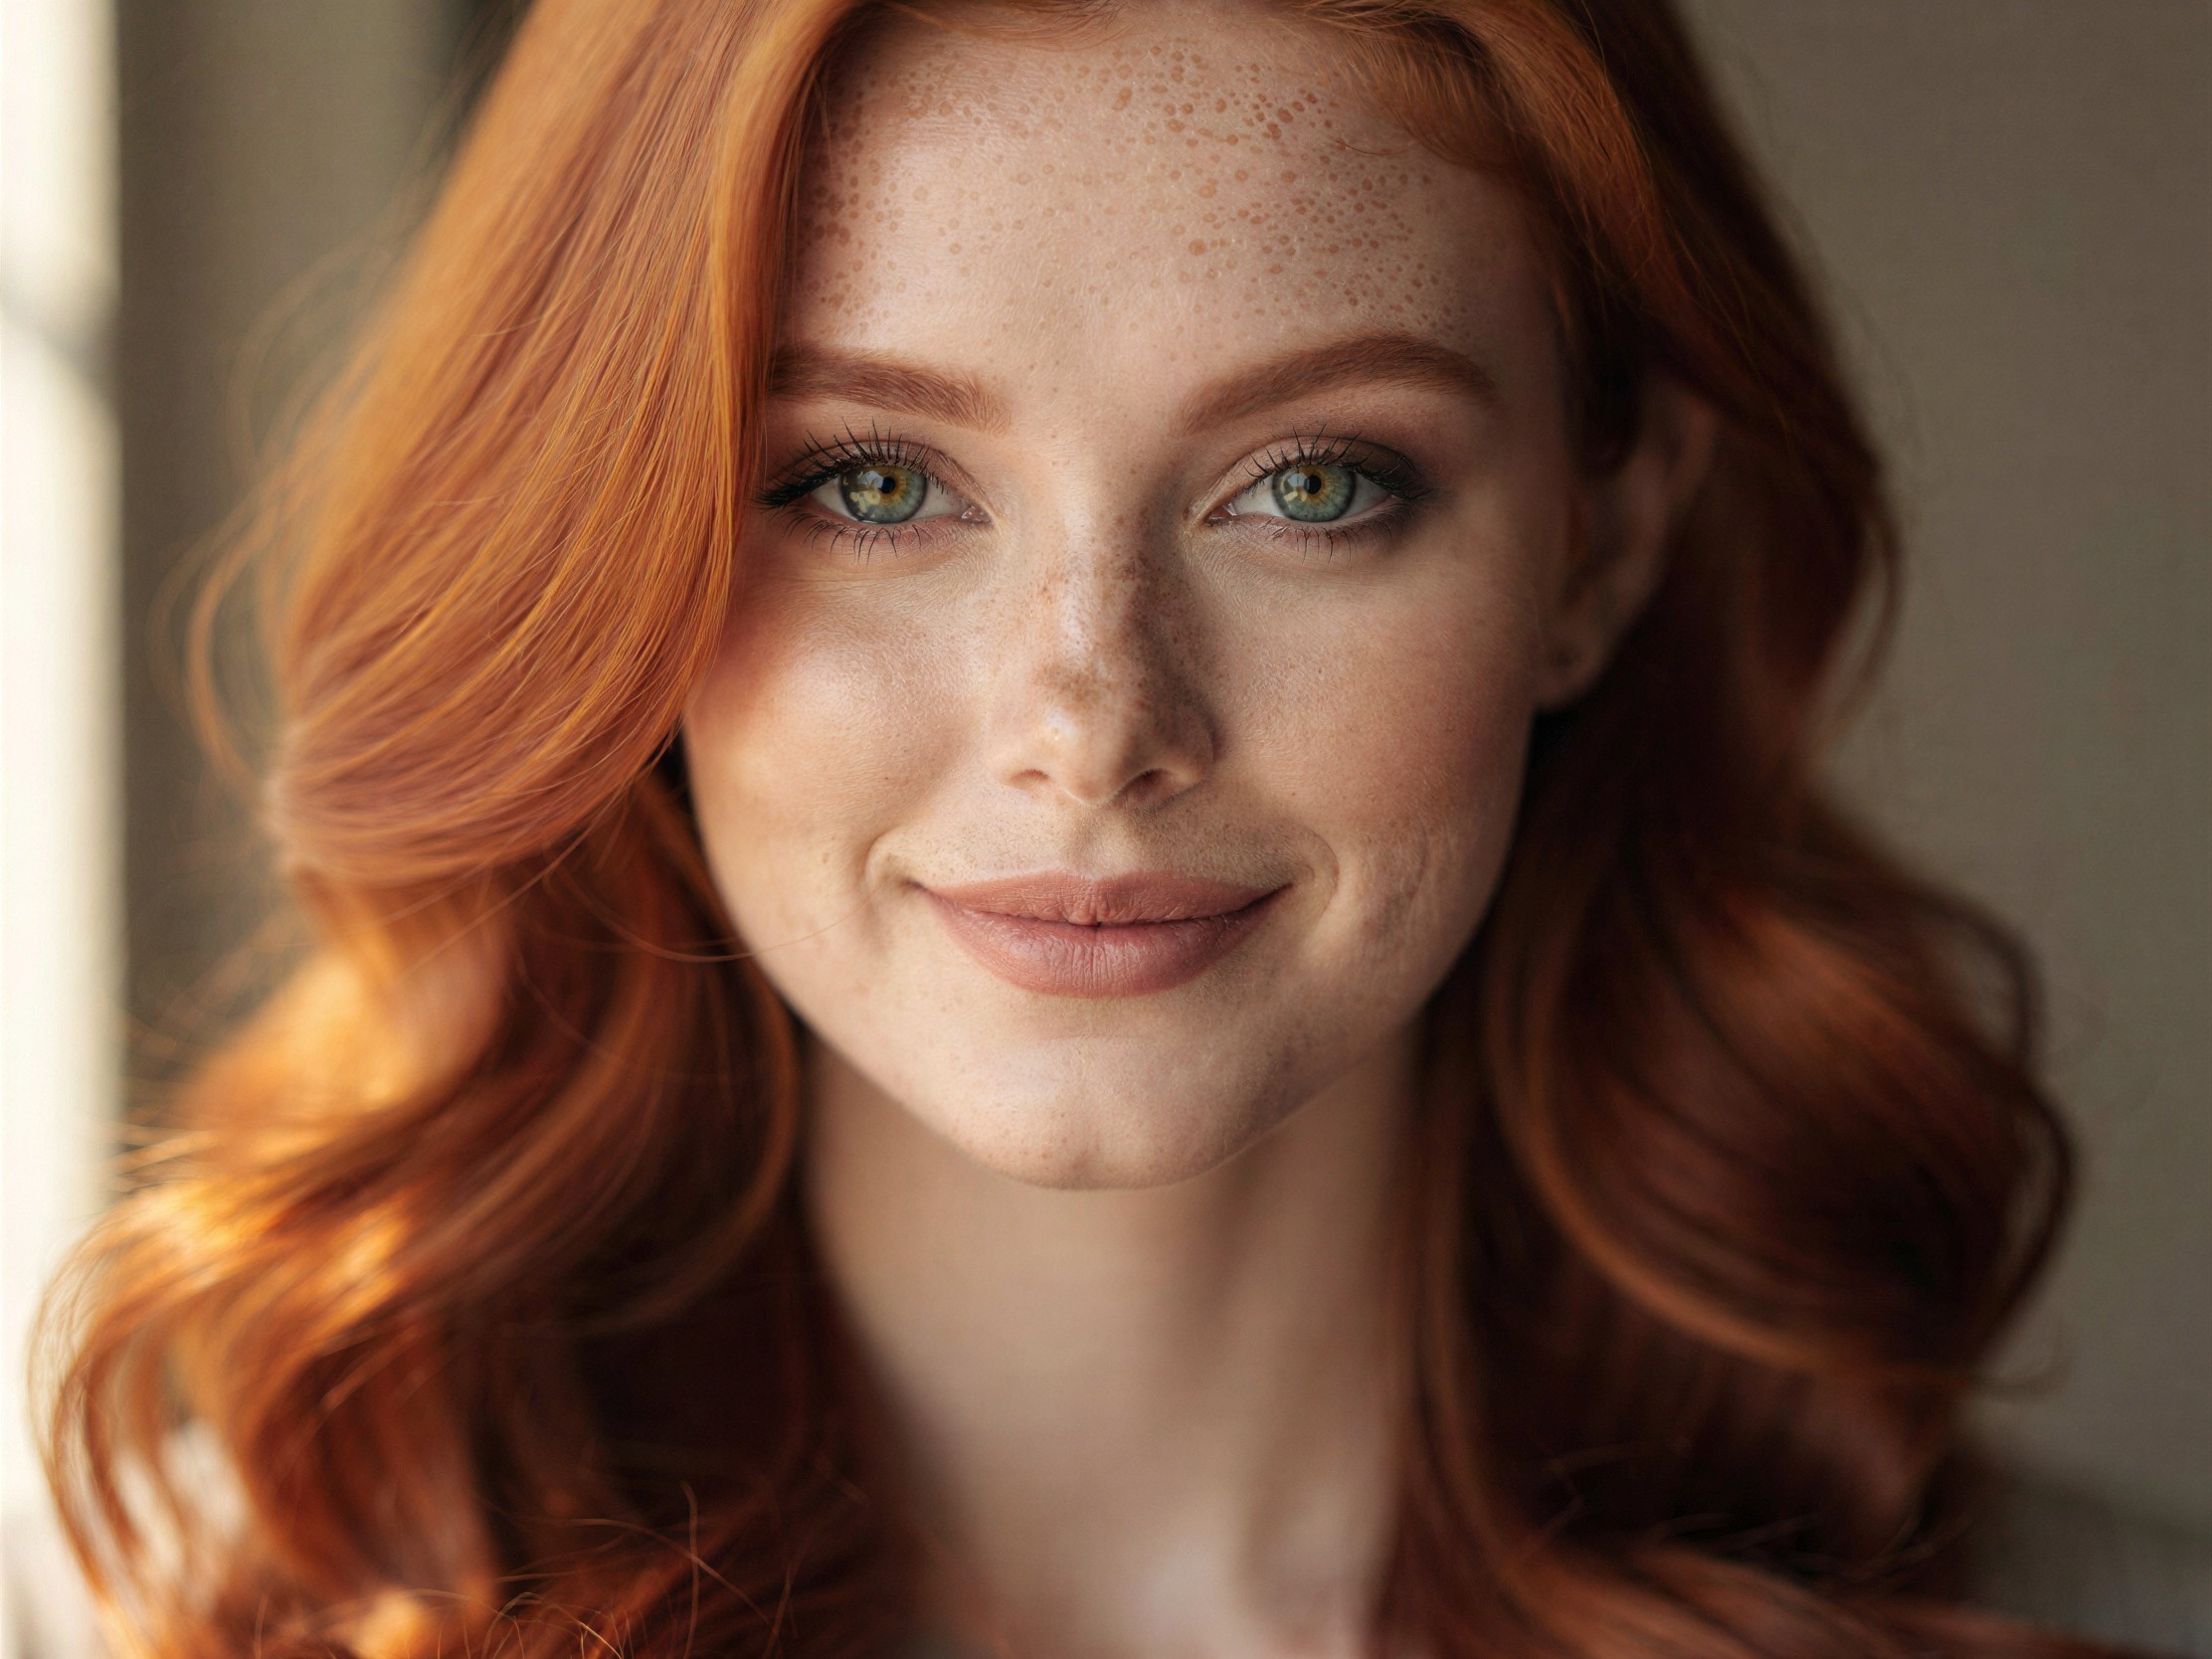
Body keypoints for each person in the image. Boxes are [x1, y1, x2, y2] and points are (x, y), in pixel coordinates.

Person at [33, 0, 2135, 1654]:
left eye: (1311, 483)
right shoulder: (159, 1622)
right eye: (866, 483)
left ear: (1600, 545)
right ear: (606, 546)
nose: (1093, 724)